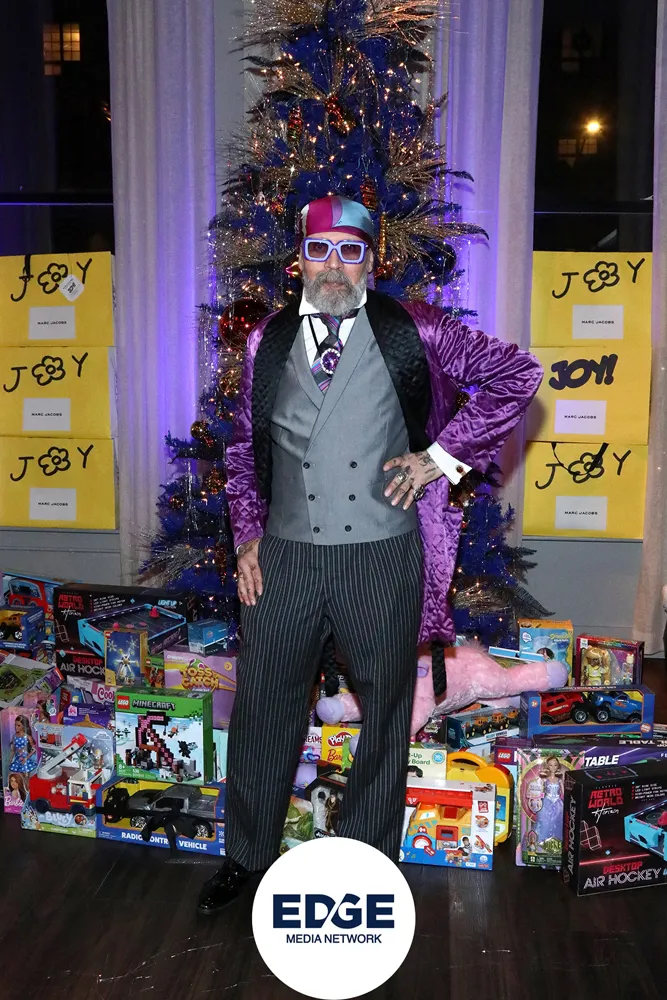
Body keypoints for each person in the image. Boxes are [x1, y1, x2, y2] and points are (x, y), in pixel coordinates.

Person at [197, 194, 542, 913]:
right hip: (285, 558)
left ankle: (365, 860)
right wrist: (248, 536)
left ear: (371, 263)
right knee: (262, 707)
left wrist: (440, 458)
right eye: (319, 250)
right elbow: (243, 449)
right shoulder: (265, 340)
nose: (333, 266)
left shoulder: (414, 328)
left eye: (349, 252)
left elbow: (517, 375)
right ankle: (247, 857)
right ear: (298, 261)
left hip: (381, 556)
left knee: (386, 713)